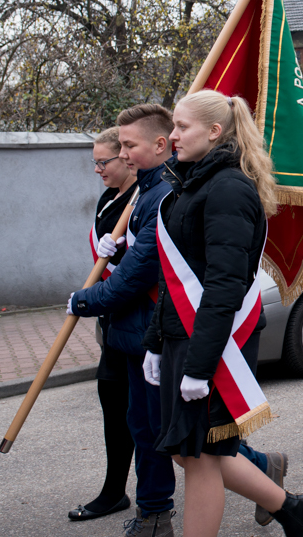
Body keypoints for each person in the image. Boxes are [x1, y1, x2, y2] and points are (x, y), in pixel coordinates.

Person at [141, 90, 303, 537]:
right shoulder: (192, 182)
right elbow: (175, 275)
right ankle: (289, 507)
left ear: (214, 132)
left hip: (214, 339)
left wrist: (199, 367)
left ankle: (288, 506)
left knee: (199, 456)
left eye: (182, 127)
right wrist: (155, 342)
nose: (172, 135)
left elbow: (224, 285)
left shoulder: (227, 188)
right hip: (186, 333)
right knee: (189, 451)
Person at [69, 104, 178, 536]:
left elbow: (137, 275)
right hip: (125, 327)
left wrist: (82, 301)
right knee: (141, 423)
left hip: (152, 324)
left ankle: (270, 481)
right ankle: (148, 507)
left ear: (159, 143)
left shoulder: (161, 196)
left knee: (183, 436)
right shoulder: (135, 195)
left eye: (126, 148)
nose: (120, 158)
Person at [68, 127, 138, 523]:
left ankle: (258, 465)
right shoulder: (108, 199)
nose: (97, 169)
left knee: (155, 419)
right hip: (113, 319)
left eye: (103, 161)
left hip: (137, 317)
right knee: (114, 404)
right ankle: (114, 492)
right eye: (94, 162)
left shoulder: (142, 198)